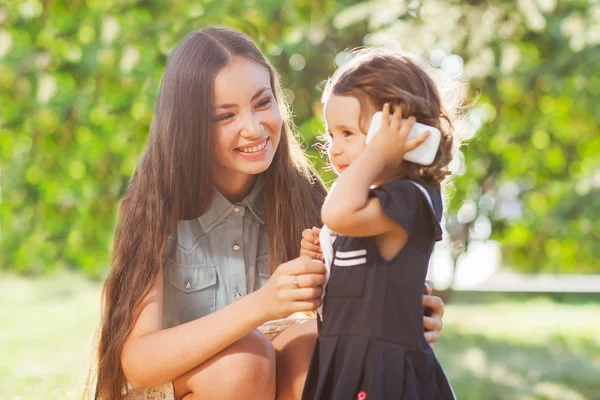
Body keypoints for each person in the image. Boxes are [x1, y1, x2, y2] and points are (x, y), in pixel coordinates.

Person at [90, 27, 446, 400]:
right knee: (244, 363)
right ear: (191, 127)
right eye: (225, 116)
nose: (253, 128)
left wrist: (403, 313)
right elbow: (138, 365)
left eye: (262, 103)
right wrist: (260, 305)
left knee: (313, 349)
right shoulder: (155, 204)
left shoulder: (307, 194)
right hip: (181, 385)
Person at [300, 48, 457, 399]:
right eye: (331, 136)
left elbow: (335, 213)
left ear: (402, 134)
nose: (334, 150)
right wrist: (323, 258)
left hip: (380, 373)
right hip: (344, 362)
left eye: (348, 134)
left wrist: (375, 155)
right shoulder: (368, 207)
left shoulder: (411, 199)